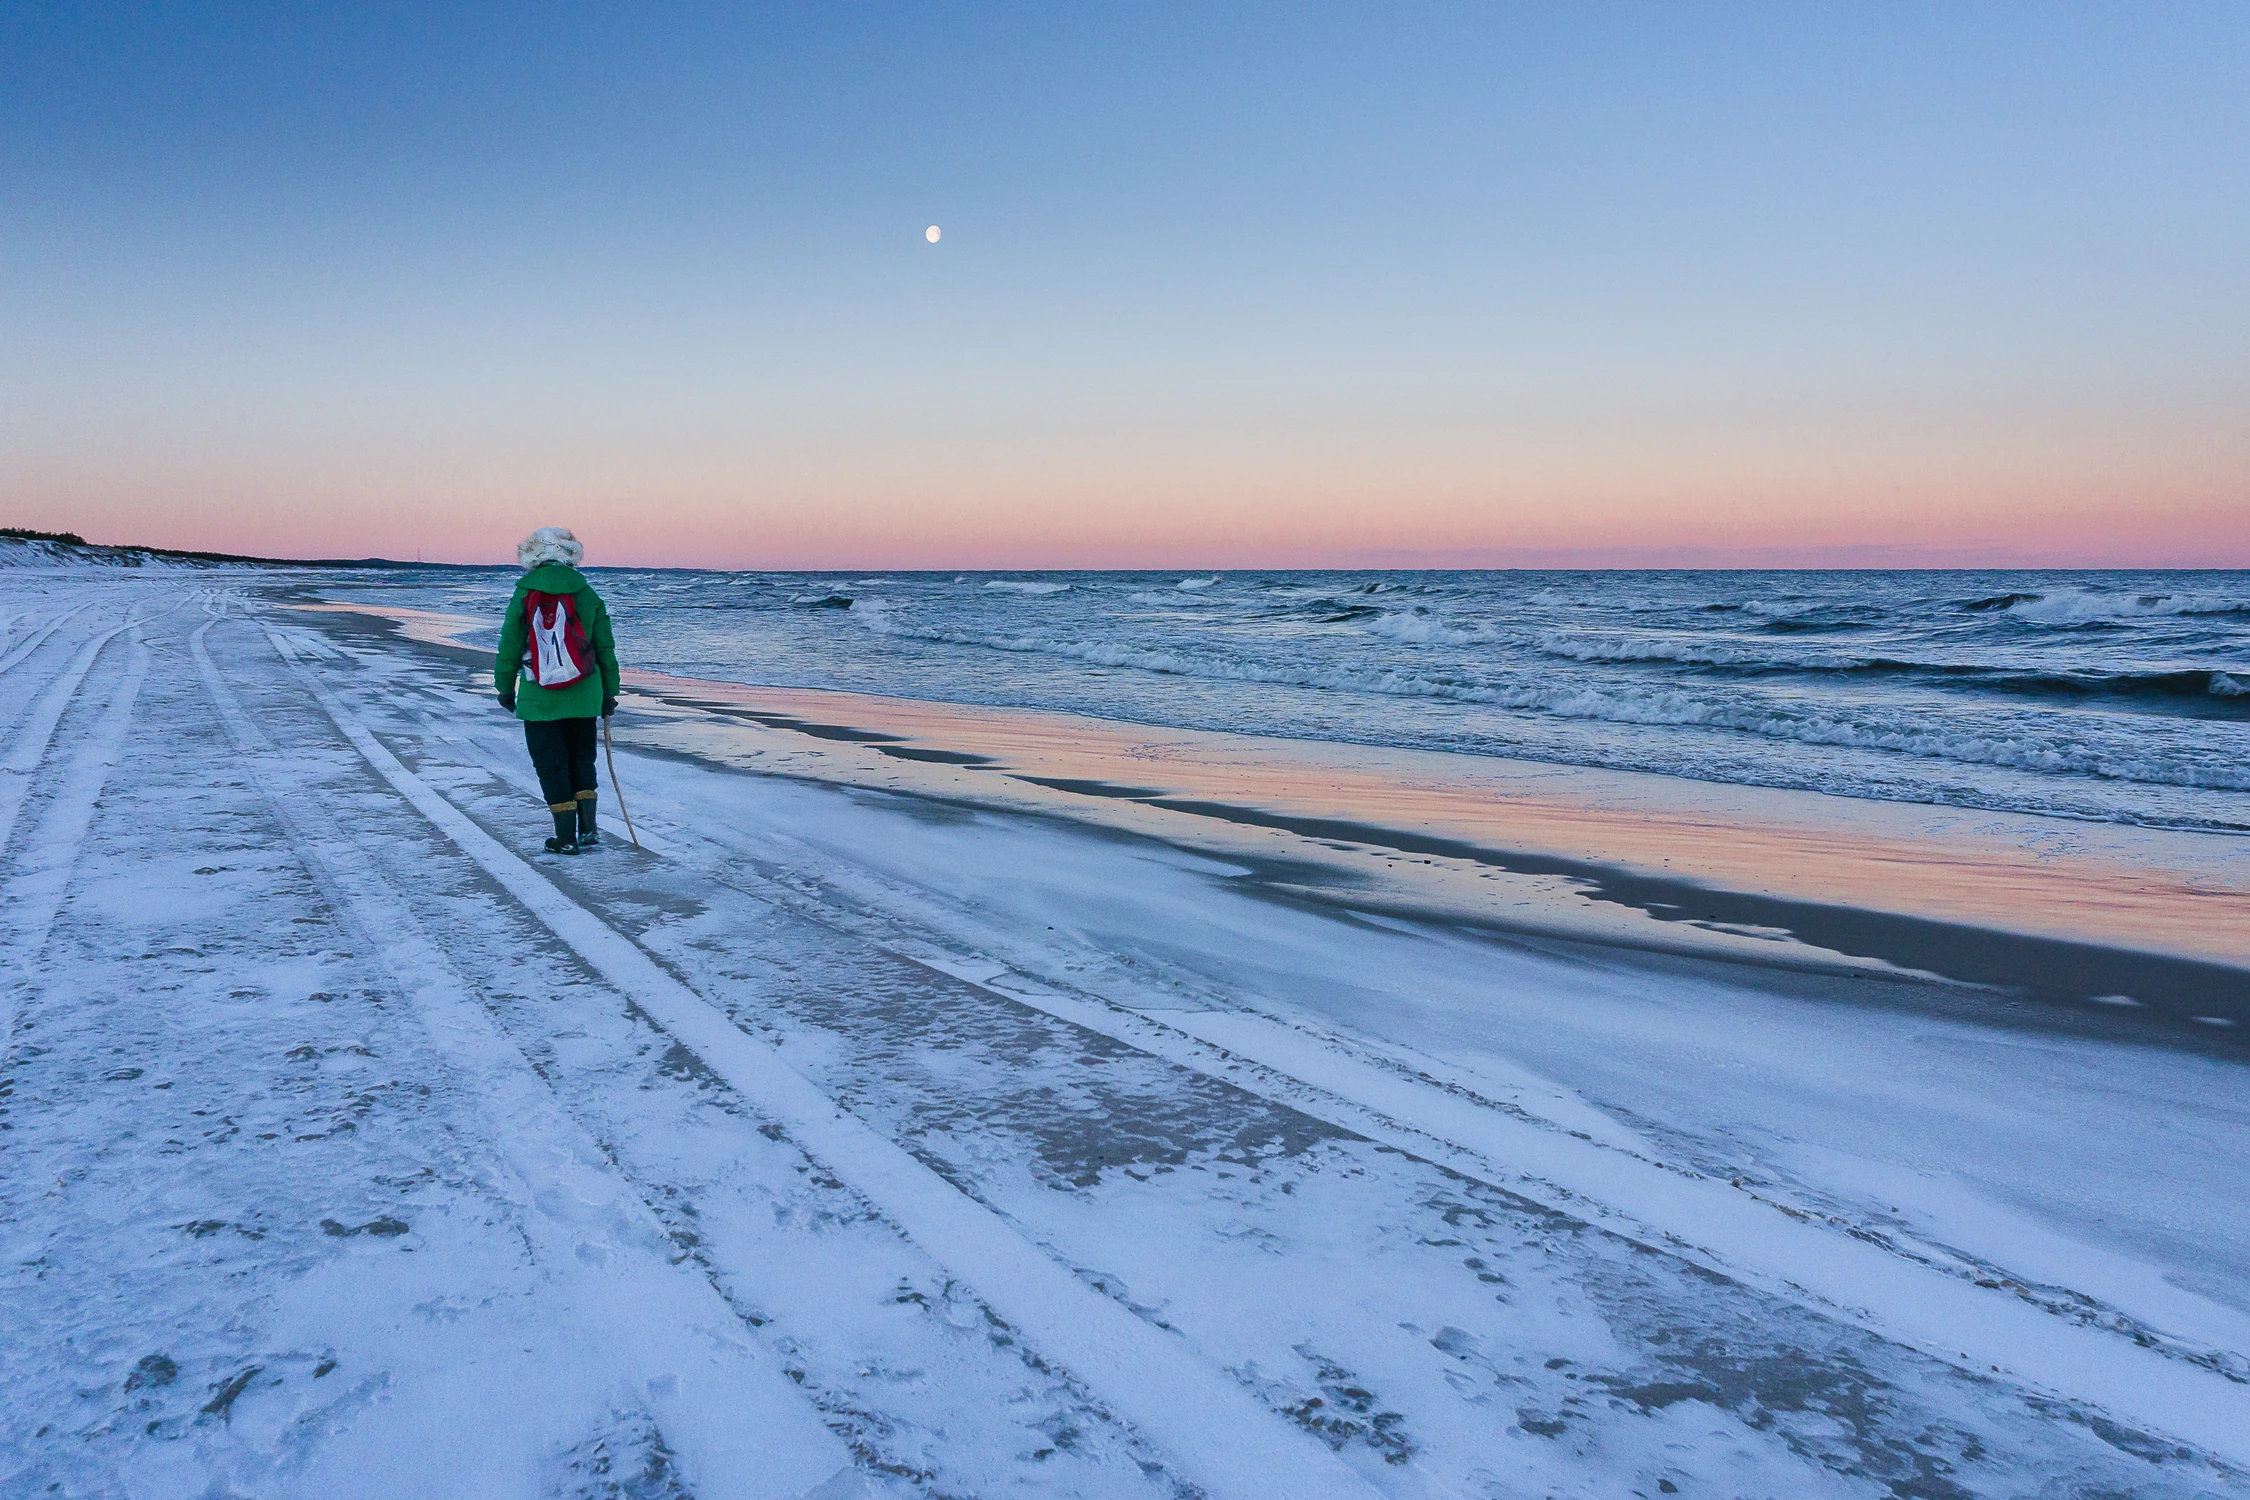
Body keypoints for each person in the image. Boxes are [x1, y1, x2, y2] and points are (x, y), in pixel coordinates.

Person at [495, 527, 620, 854]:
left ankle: (565, 838)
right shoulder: (588, 593)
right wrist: (609, 693)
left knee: (551, 764)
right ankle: (588, 829)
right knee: (582, 759)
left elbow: (509, 647)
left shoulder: (524, 594)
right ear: (570, 554)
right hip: (585, 695)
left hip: (540, 698)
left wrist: (505, 689)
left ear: (531, 556)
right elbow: (605, 648)